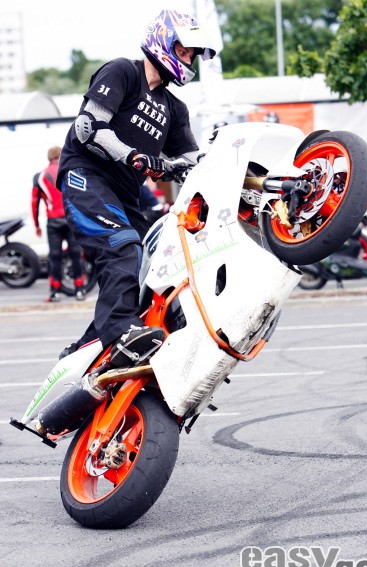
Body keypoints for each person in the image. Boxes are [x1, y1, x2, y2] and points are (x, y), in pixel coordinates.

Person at [56, 9, 216, 366]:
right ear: (163, 40)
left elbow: (193, 161)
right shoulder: (123, 72)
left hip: (125, 195)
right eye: (184, 50)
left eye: (192, 55)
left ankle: (87, 350)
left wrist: (223, 163)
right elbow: (89, 127)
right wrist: (134, 156)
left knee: (150, 268)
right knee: (122, 245)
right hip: (86, 176)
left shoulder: (175, 108)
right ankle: (119, 331)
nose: (188, 60)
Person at [31, 146, 85, 302]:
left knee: (54, 256)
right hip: (71, 218)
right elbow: (81, 196)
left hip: (53, 221)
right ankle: (79, 289)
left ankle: (55, 292)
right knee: (76, 254)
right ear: (60, 156)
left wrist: (36, 225)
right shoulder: (69, 172)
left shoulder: (39, 177)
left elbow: (34, 203)